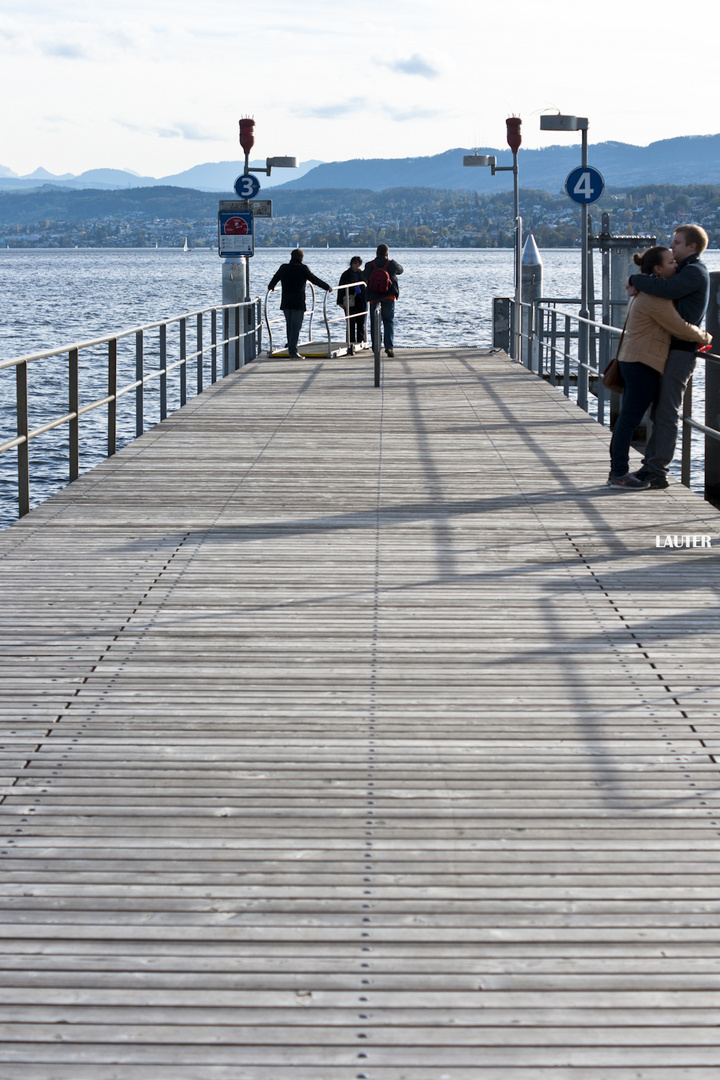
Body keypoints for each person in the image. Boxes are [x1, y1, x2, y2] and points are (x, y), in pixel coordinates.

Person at [609, 245, 711, 489]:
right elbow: (679, 327)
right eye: (670, 262)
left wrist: (635, 279)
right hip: (642, 363)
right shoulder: (656, 297)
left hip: (635, 360)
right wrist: (706, 337)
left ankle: (626, 471)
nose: (675, 264)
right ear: (657, 269)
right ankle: (619, 473)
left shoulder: (644, 291)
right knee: (629, 420)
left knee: (630, 418)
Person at [268, 249, 331, 358]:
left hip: (286, 303)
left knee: (289, 326)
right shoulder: (303, 269)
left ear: (291, 256)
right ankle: (293, 351)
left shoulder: (284, 268)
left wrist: (271, 287)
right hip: (298, 303)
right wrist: (327, 287)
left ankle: (290, 347)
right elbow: (315, 280)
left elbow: (274, 279)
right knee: (296, 327)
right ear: (301, 258)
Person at [363, 243, 403, 358]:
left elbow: (364, 276)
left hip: (373, 297)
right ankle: (389, 347)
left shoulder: (370, 265)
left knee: (375, 323)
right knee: (388, 321)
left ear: (376, 253)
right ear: (387, 254)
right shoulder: (391, 264)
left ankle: (376, 347)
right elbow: (401, 270)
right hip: (389, 297)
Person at [337, 257, 367, 352]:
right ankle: (351, 343)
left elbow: (367, 286)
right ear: (351, 263)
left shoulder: (363, 274)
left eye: (359, 263)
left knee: (361, 323)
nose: (357, 264)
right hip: (349, 301)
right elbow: (341, 288)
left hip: (361, 301)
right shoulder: (346, 274)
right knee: (350, 323)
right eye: (355, 262)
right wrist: (340, 301)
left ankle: (361, 342)